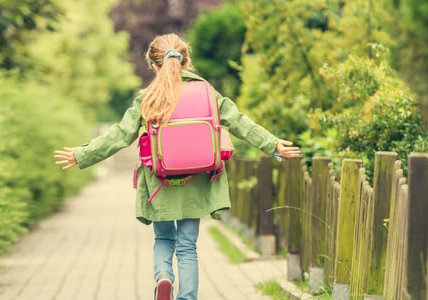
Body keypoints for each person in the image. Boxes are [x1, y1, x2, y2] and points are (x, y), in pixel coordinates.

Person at [53, 33, 300, 300]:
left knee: (163, 240)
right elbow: (240, 123)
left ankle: (164, 277)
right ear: (187, 60)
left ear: (153, 65)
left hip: (160, 181)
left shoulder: (148, 98)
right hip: (196, 179)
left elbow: (120, 135)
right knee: (187, 247)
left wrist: (82, 155)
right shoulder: (207, 92)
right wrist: (273, 144)